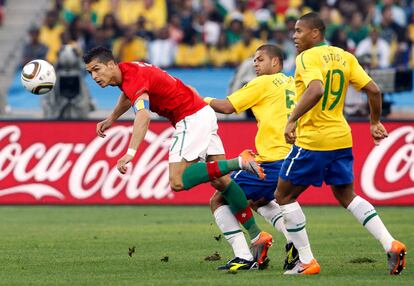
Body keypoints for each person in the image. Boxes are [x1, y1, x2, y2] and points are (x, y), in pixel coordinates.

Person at [82, 47, 272, 266]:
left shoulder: (133, 77)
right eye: (90, 73)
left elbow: (143, 115)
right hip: (202, 112)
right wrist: (111, 118)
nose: (94, 77)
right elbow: (128, 95)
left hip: (189, 117)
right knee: (222, 182)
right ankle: (256, 240)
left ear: (111, 64)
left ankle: (240, 162)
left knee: (178, 181)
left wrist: (130, 153)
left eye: (97, 69)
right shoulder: (129, 72)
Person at [275, 12, 407, 275]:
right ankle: (390, 243)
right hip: (341, 138)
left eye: (299, 31)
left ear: (316, 33)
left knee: (283, 195)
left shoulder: (307, 57)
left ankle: (307, 261)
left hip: (314, 140)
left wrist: (291, 120)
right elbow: (373, 90)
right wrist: (374, 122)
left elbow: (316, 89)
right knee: (346, 195)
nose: (294, 36)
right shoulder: (345, 57)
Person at [204, 44, 299, 271]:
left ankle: (244, 256)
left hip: (272, 160)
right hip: (293, 158)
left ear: (275, 62)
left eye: (260, 59)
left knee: (219, 199)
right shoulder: (291, 83)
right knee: (258, 201)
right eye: (254, 60)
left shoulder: (263, 82)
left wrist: (200, 99)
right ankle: (292, 243)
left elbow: (227, 107)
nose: (255, 64)